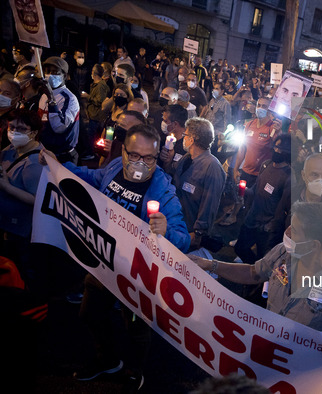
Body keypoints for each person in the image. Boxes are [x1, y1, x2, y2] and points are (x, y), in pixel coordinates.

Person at [40, 124, 190, 390]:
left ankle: (134, 370)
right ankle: (107, 360)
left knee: (136, 327)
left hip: (138, 275)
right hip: (103, 262)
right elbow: (91, 177)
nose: (140, 163)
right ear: (123, 152)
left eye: (149, 158)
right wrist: (58, 166)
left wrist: (167, 231)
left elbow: (183, 238)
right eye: (134, 155)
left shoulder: (163, 192)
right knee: (89, 314)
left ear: (157, 158)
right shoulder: (112, 170)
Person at [189, 201, 322, 368]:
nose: (288, 231)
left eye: (296, 230)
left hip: (298, 371)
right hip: (262, 353)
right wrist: (210, 264)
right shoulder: (284, 253)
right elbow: (254, 273)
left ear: (314, 245)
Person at [161, 117, 226, 251]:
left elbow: (210, 204)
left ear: (193, 138)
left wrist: (198, 234)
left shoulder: (212, 167)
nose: (183, 138)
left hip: (189, 232)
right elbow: (172, 174)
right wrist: (168, 160)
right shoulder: (187, 158)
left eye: (185, 135)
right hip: (175, 221)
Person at [234, 134, 291, 266]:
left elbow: (284, 207)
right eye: (276, 147)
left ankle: (255, 283)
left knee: (263, 260)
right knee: (240, 248)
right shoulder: (266, 165)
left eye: (281, 149)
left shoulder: (288, 176)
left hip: (266, 227)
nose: (277, 151)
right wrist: (243, 190)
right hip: (252, 218)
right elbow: (255, 189)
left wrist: (272, 226)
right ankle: (252, 270)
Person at [0, 110, 44, 279]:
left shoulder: (34, 163)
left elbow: (36, 199)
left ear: (33, 132)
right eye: (11, 127)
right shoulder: (13, 148)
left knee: (18, 268)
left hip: (20, 229)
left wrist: (5, 186)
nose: (14, 132)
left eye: (21, 129)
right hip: (7, 223)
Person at [38, 57, 80, 164]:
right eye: (47, 72)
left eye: (54, 72)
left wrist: (51, 99)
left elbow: (59, 127)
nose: (50, 75)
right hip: (45, 154)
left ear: (64, 76)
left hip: (63, 157)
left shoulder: (69, 98)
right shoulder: (43, 96)